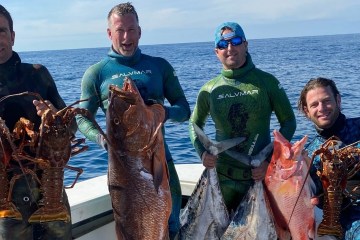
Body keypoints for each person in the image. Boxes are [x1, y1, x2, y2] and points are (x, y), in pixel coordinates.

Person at [75, 2, 190, 239]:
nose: (126, 37)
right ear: (109, 33)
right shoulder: (96, 73)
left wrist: (164, 113)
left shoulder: (159, 66)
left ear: (139, 31)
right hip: (123, 170)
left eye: (131, 30)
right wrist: (103, 140)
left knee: (172, 226)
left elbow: (184, 109)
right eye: (119, 30)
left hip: (161, 160)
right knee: (131, 229)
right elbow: (81, 118)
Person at [189, 22, 296, 213]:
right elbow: (194, 123)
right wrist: (202, 153)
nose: (230, 48)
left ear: (246, 44)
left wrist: (268, 161)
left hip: (259, 176)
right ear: (216, 52)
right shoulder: (209, 89)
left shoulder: (267, 82)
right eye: (222, 45)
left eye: (235, 41)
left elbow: (289, 122)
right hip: (222, 179)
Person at [0, 4, 75, 239]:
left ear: (12, 36)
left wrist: (56, 116)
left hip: (48, 183)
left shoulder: (37, 74)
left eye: (1, 31)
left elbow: (71, 127)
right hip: (5, 196)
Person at [298, 77, 360, 239]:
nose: (321, 108)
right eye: (314, 105)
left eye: (326, 101)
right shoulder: (310, 153)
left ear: (338, 100)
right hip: (340, 222)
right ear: (306, 111)